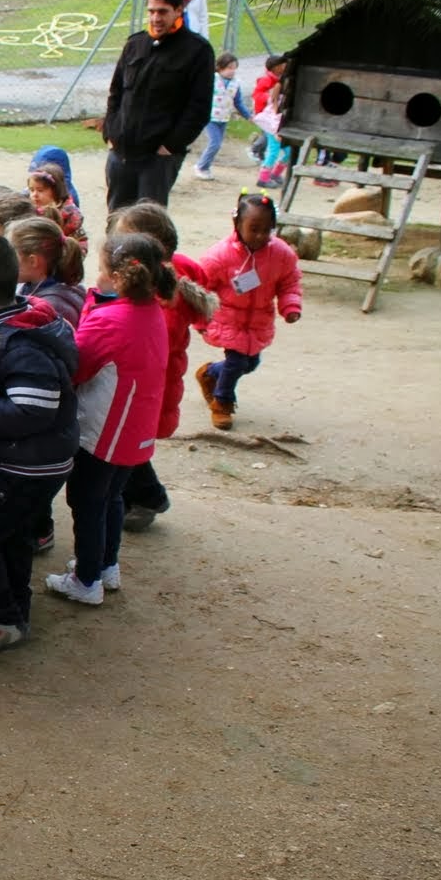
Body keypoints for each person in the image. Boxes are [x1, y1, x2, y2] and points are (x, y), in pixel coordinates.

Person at [0, 235, 79, 657]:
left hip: (29, 463)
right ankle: (15, 608)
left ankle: (0, 619)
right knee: (12, 534)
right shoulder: (20, 316)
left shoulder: (16, 342)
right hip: (40, 458)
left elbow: (34, 407)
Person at [45, 231, 174, 605]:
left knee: (86, 500)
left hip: (105, 430)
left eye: (100, 269)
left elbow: (78, 367)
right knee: (112, 497)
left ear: (117, 277)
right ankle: (104, 565)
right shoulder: (150, 309)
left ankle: (86, 581)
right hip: (135, 428)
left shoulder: (112, 319)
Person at [105, 202, 217, 532]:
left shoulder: (160, 296)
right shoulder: (159, 282)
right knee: (129, 442)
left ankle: (146, 497)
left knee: (126, 443)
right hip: (148, 383)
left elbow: (146, 343)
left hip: (149, 386)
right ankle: (141, 495)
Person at [7, 215, 87, 555]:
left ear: (32, 261)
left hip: (48, 409)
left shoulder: (53, 305)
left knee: (32, 479)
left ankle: (38, 532)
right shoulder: (35, 289)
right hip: (48, 407)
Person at [102, 0, 216, 210]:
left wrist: (170, 146)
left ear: (178, 10)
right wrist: (110, 132)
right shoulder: (135, 44)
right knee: (116, 221)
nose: (156, 18)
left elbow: (199, 108)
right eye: (151, 11)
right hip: (121, 152)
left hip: (158, 158)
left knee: (149, 226)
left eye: (162, 12)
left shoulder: (197, 51)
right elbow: (115, 93)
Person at [194, 193, 302, 431]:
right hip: (228, 317)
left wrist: (290, 306)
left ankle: (210, 373)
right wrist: (200, 317)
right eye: (254, 229)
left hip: (258, 320)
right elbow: (201, 285)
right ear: (237, 225)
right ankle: (221, 403)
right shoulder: (220, 255)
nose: (260, 236)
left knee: (249, 363)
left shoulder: (281, 254)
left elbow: (290, 282)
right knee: (236, 361)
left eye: (266, 230)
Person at [194, 52, 253, 180]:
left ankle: (205, 166)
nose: (232, 71)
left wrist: (248, 116)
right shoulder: (212, 79)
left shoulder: (235, 83)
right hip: (210, 118)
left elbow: (238, 102)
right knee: (215, 143)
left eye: (234, 68)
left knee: (217, 143)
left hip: (224, 118)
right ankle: (201, 166)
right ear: (220, 67)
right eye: (229, 68)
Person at [26, 165, 87, 250]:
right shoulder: (30, 212)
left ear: (56, 191)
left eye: (40, 190)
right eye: (31, 190)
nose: (34, 195)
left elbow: (81, 243)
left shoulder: (70, 216)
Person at [253, 55, 291, 188]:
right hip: (272, 122)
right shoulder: (270, 82)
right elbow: (258, 95)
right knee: (273, 150)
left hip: (279, 122)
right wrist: (270, 97)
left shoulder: (282, 81)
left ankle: (275, 174)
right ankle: (263, 178)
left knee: (289, 151)